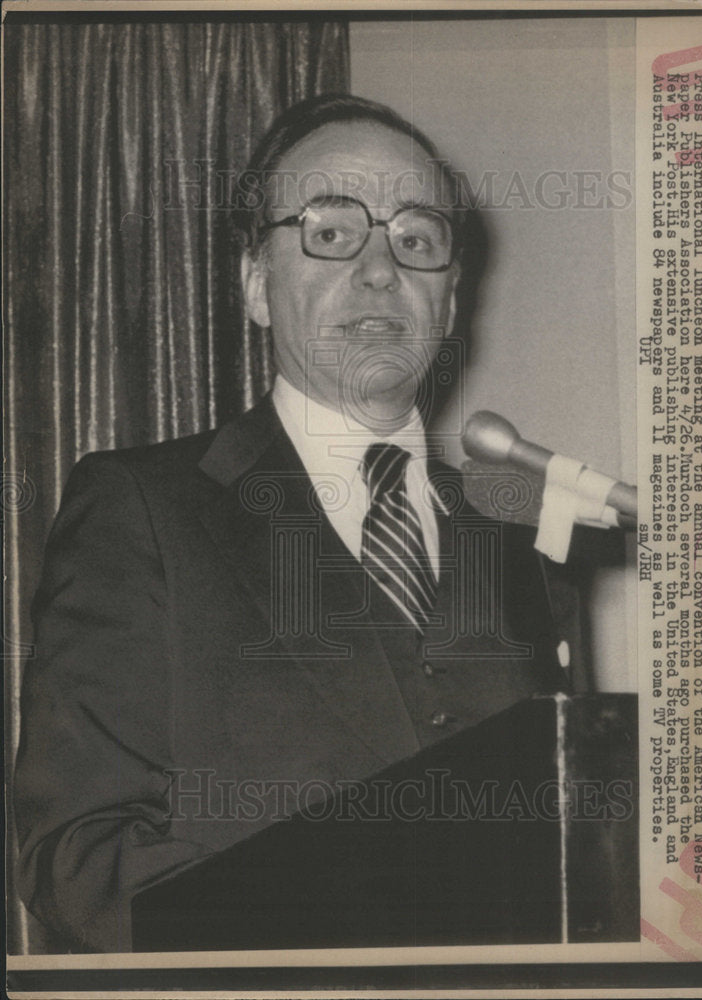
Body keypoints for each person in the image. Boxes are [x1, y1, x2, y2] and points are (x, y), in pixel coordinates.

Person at [14, 94, 567, 953]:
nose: (381, 269)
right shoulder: (141, 507)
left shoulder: (523, 538)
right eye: (331, 230)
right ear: (256, 287)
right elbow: (78, 859)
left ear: (449, 302)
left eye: (416, 239)